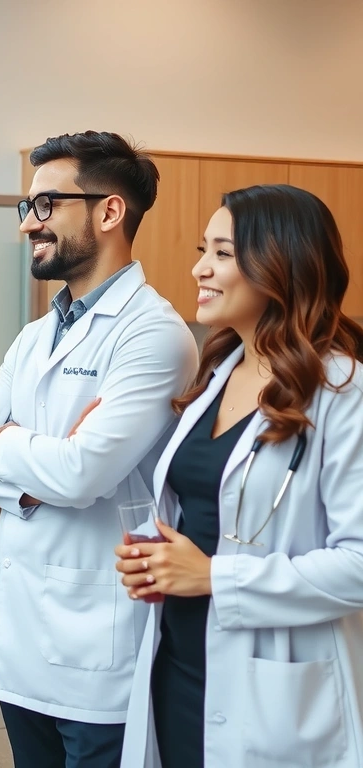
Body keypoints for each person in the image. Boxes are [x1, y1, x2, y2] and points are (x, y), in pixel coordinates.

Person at [0, 131, 199, 768]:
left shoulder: (154, 335)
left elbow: (84, 474)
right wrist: (43, 463)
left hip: (96, 642)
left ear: (109, 211)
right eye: (28, 207)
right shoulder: (34, 337)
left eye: (47, 204)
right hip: (21, 636)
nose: (31, 224)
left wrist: (10, 443)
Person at [116, 185, 363, 768]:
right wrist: (158, 563)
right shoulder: (218, 372)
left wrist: (214, 578)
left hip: (274, 681)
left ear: (282, 262)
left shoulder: (341, 390)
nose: (200, 267)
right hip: (177, 659)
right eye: (204, 250)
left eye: (223, 253)